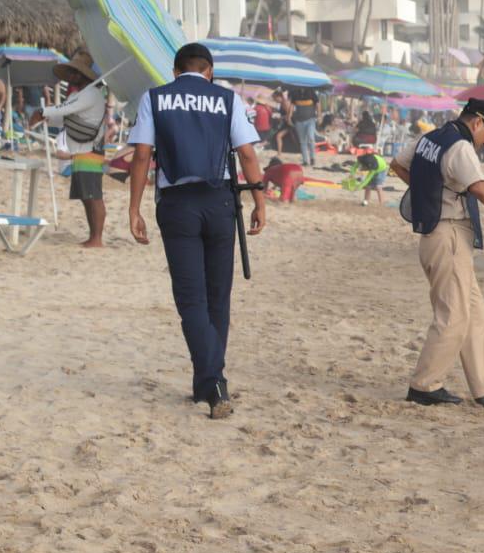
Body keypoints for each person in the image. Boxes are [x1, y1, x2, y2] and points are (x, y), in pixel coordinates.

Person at [127, 43, 267, 419]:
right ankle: (210, 381)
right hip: (220, 202)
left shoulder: (155, 98)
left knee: (191, 299)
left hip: (177, 205)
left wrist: (134, 208)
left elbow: (142, 155)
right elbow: (247, 153)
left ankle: (211, 382)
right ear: (210, 71)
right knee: (218, 296)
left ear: (175, 71)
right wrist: (260, 201)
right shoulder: (227, 99)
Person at [391, 98, 484, 407]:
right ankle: (424, 385)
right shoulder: (460, 146)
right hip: (449, 235)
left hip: (438, 235)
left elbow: (398, 165)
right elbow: (480, 188)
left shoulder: (430, 138)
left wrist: (428, 192)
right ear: (477, 122)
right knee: (454, 315)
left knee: (475, 313)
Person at [29, 51, 109, 247]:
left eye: (74, 72)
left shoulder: (91, 93)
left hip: (91, 149)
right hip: (80, 149)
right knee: (86, 196)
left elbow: (66, 110)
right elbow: (63, 117)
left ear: (82, 75)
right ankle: (93, 236)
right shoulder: (78, 95)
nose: (71, 76)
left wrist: (43, 111)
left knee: (93, 195)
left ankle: (97, 238)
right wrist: (47, 117)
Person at [290, 87, 319, 166]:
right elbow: (292, 105)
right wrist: (289, 116)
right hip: (299, 121)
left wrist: (319, 116)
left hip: (310, 119)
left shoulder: (311, 92)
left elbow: (317, 104)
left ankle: (312, 158)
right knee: (302, 141)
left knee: (311, 138)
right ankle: (305, 161)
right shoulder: (295, 93)